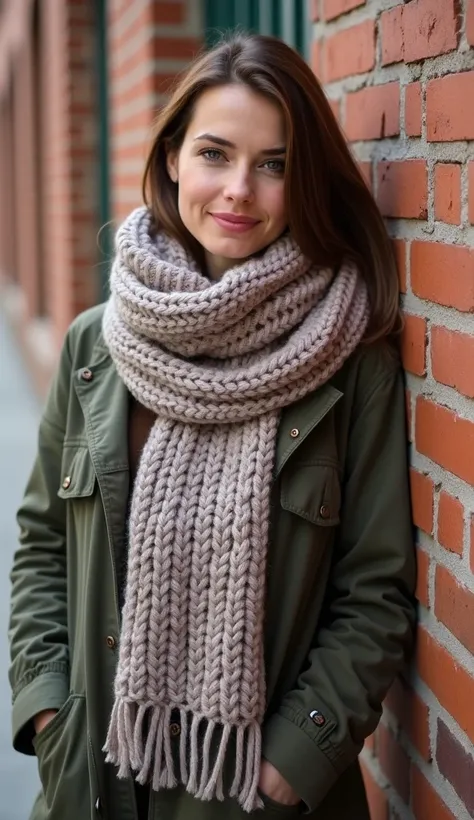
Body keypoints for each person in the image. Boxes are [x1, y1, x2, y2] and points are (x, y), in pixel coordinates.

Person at [9, 32, 416, 820]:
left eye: (274, 164)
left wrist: (291, 763)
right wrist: (50, 708)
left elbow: (376, 593)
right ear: (171, 159)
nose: (238, 190)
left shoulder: (348, 355)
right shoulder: (97, 345)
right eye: (215, 154)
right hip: (94, 779)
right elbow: (43, 545)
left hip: (252, 796)